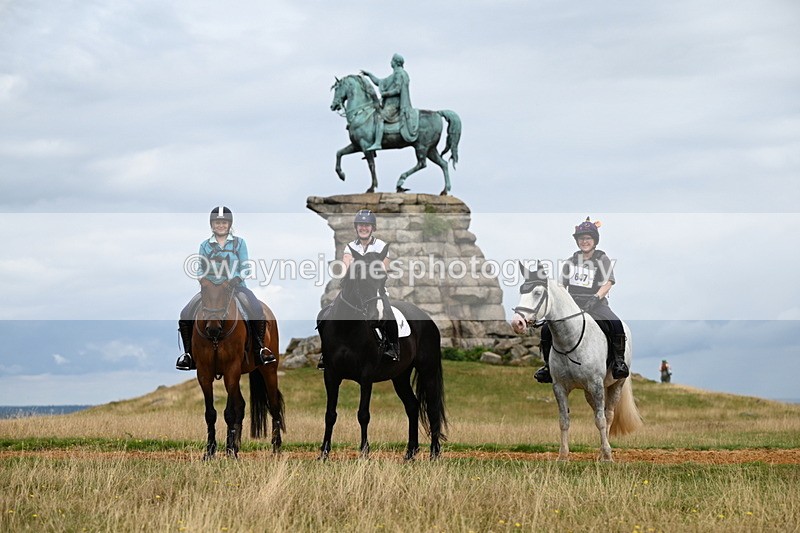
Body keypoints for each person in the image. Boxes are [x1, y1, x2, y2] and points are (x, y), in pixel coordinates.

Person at [176, 206, 275, 371]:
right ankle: (188, 355)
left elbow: (246, 267)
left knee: (256, 309)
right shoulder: (205, 245)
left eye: (223, 223)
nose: (220, 225)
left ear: (229, 224)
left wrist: (235, 279)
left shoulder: (239, 243)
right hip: (211, 290)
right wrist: (203, 279)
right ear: (212, 225)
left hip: (236, 287)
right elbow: (200, 268)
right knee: (185, 314)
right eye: (217, 223)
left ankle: (260, 349)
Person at [532, 217, 630, 383]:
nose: (584, 241)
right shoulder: (570, 261)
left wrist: (596, 298)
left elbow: (608, 282)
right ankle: (548, 367)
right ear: (577, 241)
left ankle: (619, 362)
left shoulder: (602, 259)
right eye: (581, 238)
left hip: (596, 303)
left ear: (595, 240)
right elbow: (561, 285)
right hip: (573, 304)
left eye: (588, 238)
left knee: (615, 323)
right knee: (547, 328)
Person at [317, 209, 399, 369]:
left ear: (373, 228)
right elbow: (347, 263)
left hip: (376, 291)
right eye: (361, 225)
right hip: (355, 291)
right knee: (324, 315)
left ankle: (392, 347)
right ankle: (326, 353)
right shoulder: (350, 247)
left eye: (367, 225)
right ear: (356, 227)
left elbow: (384, 267)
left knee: (389, 313)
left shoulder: (381, 246)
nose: (364, 228)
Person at [360, 53, 418, 151]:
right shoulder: (395, 74)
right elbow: (379, 82)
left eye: (392, 60)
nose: (390, 62)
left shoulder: (399, 74)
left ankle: (378, 143)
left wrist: (385, 94)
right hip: (390, 104)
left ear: (395, 62)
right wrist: (369, 75)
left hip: (394, 105)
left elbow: (398, 90)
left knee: (379, 117)